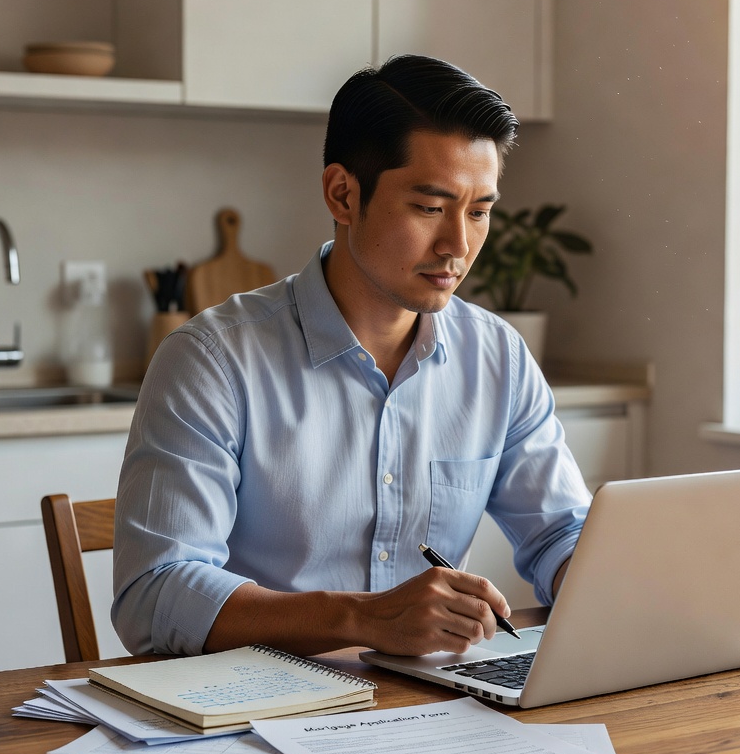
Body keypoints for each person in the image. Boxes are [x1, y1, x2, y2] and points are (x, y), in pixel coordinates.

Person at [112, 54, 591, 659]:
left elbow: (562, 533)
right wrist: (365, 618)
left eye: (478, 212)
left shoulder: (498, 357)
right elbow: (153, 597)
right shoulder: (212, 361)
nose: (457, 246)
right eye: (429, 207)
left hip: (428, 714)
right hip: (256, 718)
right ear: (342, 193)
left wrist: (599, 582)